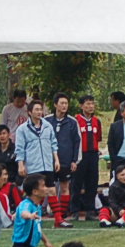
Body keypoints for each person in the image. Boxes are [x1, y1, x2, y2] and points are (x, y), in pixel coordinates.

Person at [48, 94, 81, 228]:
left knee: (65, 187)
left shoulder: (72, 122)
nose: (64, 106)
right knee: (50, 189)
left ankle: (60, 217)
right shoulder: (47, 121)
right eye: (61, 103)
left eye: (66, 103)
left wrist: (75, 160)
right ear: (55, 104)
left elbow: (77, 141)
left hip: (66, 160)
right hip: (49, 161)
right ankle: (57, 217)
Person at [14, 99, 58, 195]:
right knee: (35, 192)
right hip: (33, 166)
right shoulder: (22, 129)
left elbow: (54, 144)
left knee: (51, 190)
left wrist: (56, 160)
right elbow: (19, 149)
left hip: (47, 165)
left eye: (40, 109)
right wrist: (20, 165)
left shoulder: (48, 126)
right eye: (36, 110)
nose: (39, 112)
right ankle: (34, 209)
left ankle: (56, 211)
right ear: (30, 112)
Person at [11, 175, 54, 247]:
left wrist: (46, 241)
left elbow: (37, 227)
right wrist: (29, 216)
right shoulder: (26, 204)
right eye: (43, 186)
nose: (46, 188)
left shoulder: (37, 206)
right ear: (35, 191)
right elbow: (24, 213)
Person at [73, 95, 104, 222]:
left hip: (93, 154)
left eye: (92, 104)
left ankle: (90, 210)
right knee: (77, 183)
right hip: (81, 154)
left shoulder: (96, 121)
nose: (90, 106)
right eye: (87, 104)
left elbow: (98, 138)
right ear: (81, 106)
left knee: (92, 182)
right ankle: (74, 210)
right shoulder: (76, 120)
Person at [0, 125, 22, 209]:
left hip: (13, 182)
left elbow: (20, 165)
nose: (2, 136)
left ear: (9, 134)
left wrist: (17, 182)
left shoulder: (16, 148)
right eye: (0, 134)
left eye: (4, 133)